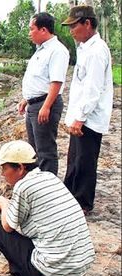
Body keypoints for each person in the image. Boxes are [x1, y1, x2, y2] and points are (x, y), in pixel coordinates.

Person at [0, 140, 95, 276]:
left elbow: (8, 226)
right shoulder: (49, 177)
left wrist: (4, 204)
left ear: (20, 167)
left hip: (54, 274)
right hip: (79, 269)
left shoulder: (23, 186)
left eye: (4, 168)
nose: (2, 174)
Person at [61, 5, 113, 213]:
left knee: (85, 161)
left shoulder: (97, 51)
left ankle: (83, 203)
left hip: (89, 117)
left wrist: (80, 117)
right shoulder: (85, 49)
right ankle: (71, 197)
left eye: (74, 25)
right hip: (81, 115)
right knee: (74, 159)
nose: (71, 31)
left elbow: (93, 88)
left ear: (87, 24)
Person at [17, 12, 70, 175]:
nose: (29, 33)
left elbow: (56, 81)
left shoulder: (57, 51)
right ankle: (37, 187)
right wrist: (26, 99)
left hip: (45, 104)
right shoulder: (40, 50)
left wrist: (46, 106)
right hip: (35, 105)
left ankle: (49, 188)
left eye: (31, 29)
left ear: (43, 30)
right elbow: (39, 80)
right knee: (34, 151)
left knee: (45, 151)